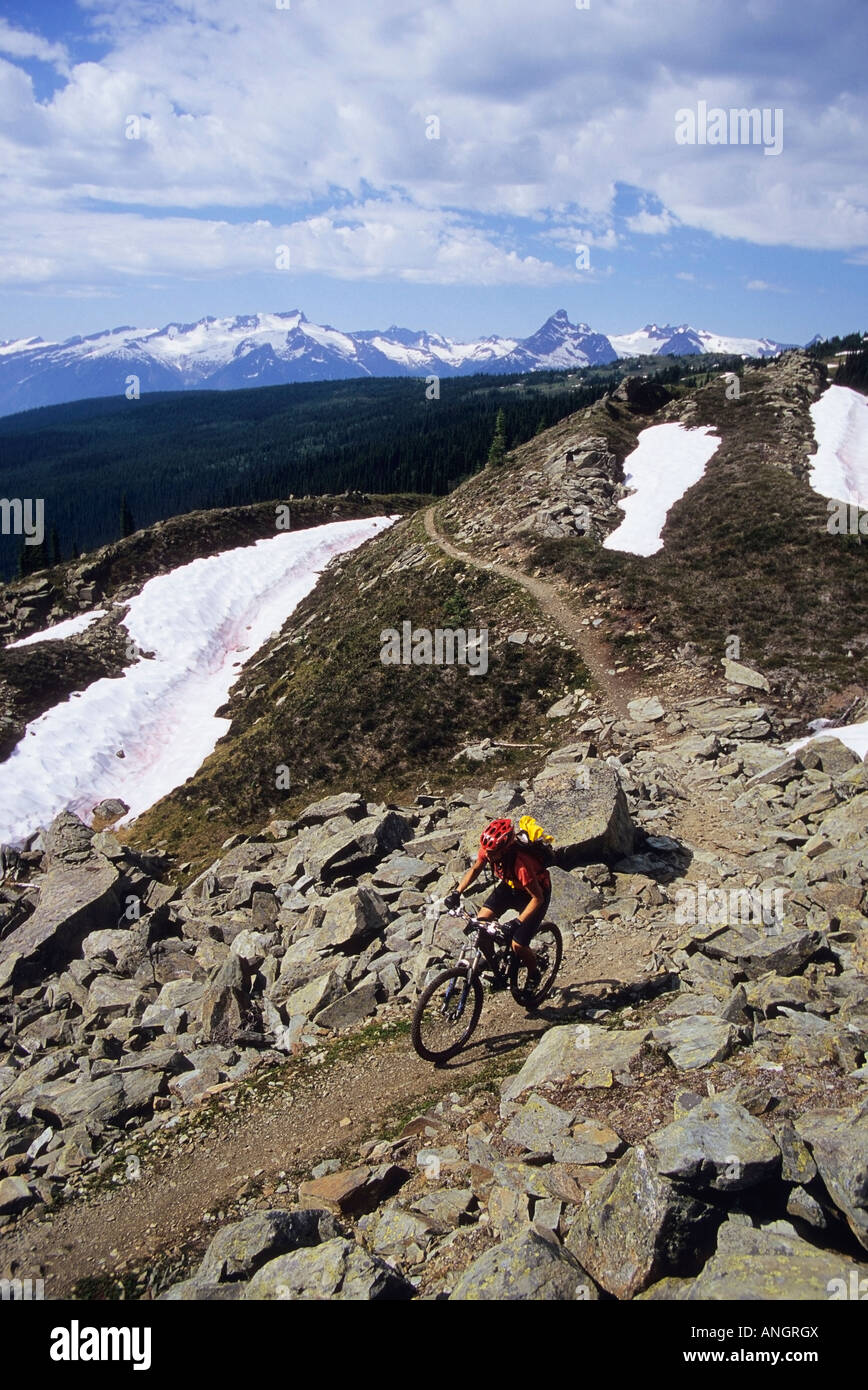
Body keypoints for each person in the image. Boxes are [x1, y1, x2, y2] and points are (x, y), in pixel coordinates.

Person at [444, 817, 551, 990]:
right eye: (486, 850)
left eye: (492, 852)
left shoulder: (520, 865)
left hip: (533, 894)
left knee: (518, 945)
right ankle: (497, 972)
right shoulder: (489, 850)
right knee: (481, 925)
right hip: (509, 886)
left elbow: (537, 898)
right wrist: (457, 892)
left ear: (505, 849)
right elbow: (475, 869)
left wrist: (517, 922)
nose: (487, 854)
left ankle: (534, 972)